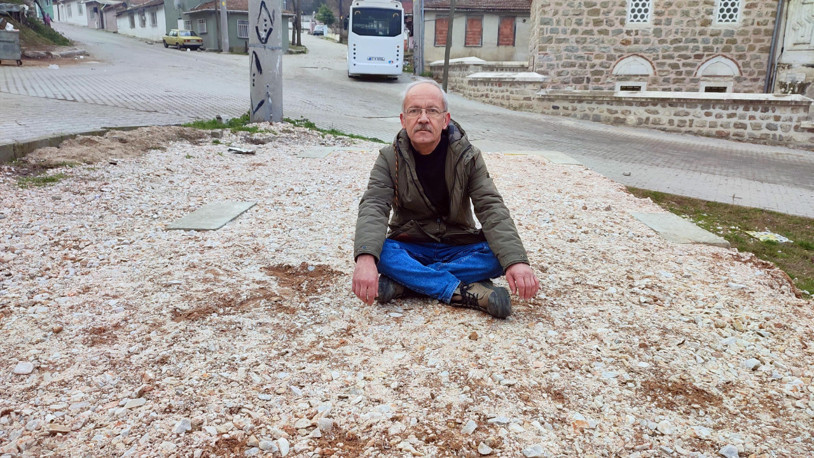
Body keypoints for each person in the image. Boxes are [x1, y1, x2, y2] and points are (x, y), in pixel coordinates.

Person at [352, 80, 539, 318]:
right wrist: (366, 258)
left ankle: (407, 282)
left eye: (432, 111)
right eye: (414, 111)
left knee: (498, 256)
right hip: (412, 244)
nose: (423, 118)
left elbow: (490, 206)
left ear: (445, 120)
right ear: (403, 120)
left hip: (458, 243)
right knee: (380, 252)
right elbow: (374, 205)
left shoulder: (468, 156)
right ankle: (462, 291)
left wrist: (516, 262)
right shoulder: (389, 158)